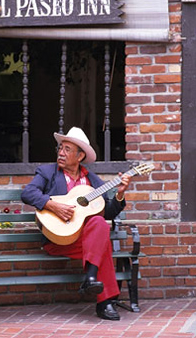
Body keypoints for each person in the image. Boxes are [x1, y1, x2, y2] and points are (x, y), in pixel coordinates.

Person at [21, 127, 131, 321]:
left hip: (86, 240)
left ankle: (91, 278)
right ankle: (105, 302)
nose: (61, 153)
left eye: (67, 149)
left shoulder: (92, 181)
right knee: (103, 246)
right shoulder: (47, 172)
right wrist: (52, 205)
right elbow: (28, 193)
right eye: (60, 148)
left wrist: (120, 193)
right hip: (58, 238)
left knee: (99, 223)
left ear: (80, 156)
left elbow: (110, 212)